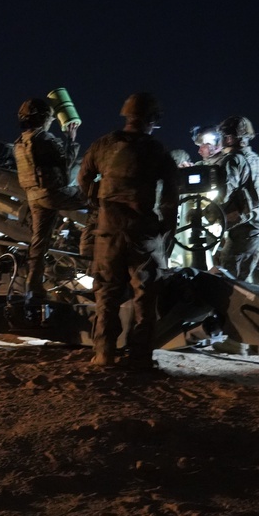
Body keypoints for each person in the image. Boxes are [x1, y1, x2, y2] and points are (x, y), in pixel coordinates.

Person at [76, 93, 178, 369]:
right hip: (143, 233)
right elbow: (170, 197)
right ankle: (141, 356)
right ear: (153, 119)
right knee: (145, 297)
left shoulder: (103, 145)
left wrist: (99, 203)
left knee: (107, 293)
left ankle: (104, 352)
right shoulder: (158, 151)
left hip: (108, 230)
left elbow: (83, 178)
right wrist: (165, 230)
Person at [13, 98, 85, 304]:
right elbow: (66, 164)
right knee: (96, 196)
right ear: (43, 118)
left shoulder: (20, 142)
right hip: (54, 194)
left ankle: (33, 287)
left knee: (38, 243)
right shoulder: (44, 139)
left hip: (34, 197)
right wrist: (71, 139)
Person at [214, 116, 259, 287]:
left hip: (249, 231)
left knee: (232, 282)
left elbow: (223, 195)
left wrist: (207, 213)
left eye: (221, 137)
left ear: (229, 138)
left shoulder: (233, 160)